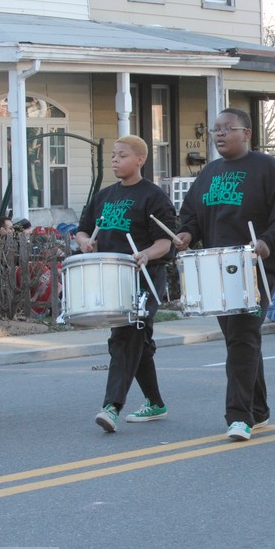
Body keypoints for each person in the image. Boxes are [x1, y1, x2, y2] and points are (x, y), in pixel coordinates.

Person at [176, 108, 275, 440]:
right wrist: (186, 234)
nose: (218, 134)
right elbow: (191, 215)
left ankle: (238, 416)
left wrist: (267, 242)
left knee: (243, 337)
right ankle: (258, 410)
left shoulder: (268, 169)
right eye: (215, 129)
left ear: (246, 133)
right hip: (216, 268)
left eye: (227, 128)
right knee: (239, 340)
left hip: (255, 267)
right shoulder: (209, 173)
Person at [75, 135, 176, 432]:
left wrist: (145, 253)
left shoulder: (153, 196)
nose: (115, 160)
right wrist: (84, 243)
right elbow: (82, 230)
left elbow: (165, 241)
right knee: (138, 341)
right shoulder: (104, 196)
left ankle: (112, 406)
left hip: (144, 278)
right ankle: (155, 403)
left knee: (125, 337)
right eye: (113, 156)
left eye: (122, 155)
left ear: (140, 159)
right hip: (111, 278)